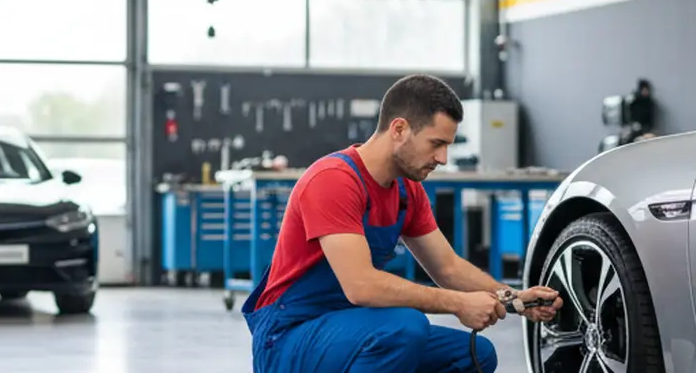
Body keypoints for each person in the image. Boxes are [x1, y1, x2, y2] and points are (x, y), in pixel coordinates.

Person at [240, 74, 562, 373]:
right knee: (405, 328)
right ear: (398, 130)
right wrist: (458, 303)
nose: (443, 158)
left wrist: (513, 298)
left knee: (475, 355)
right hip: (288, 337)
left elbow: (447, 267)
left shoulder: (407, 191)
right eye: (436, 143)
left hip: (349, 328)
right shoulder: (333, 180)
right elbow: (361, 286)